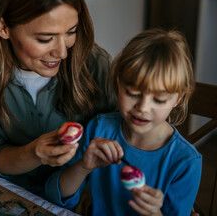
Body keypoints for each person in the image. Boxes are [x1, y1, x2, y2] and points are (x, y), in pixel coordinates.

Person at [0, 0, 116, 197]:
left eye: (71, 32)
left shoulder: (97, 65)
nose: (62, 53)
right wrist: (34, 153)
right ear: (3, 27)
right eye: (45, 39)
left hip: (65, 189)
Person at [45, 28, 202, 216]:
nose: (143, 107)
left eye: (159, 100)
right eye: (132, 94)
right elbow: (57, 196)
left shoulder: (185, 162)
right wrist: (83, 167)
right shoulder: (99, 129)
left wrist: (154, 213)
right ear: (118, 83)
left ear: (178, 99)